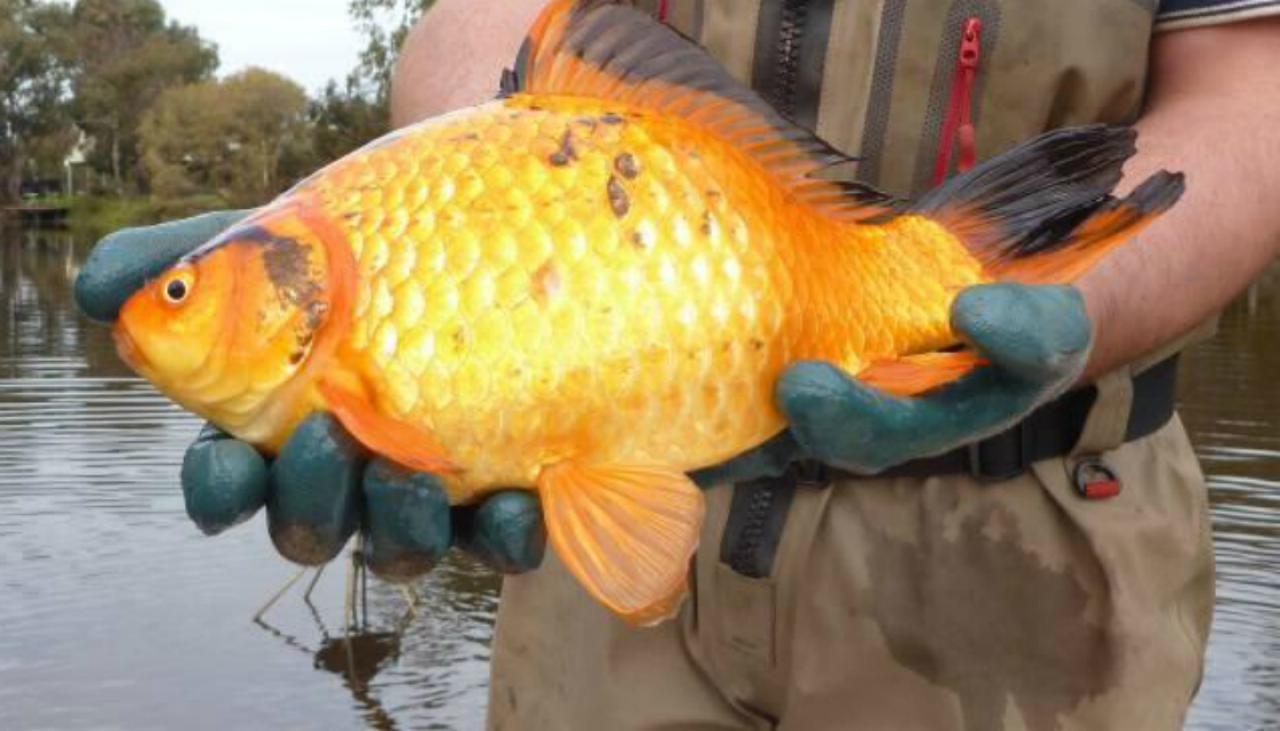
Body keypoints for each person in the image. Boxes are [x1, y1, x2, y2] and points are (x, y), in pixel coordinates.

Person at [72, 1, 1280, 728]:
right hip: (585, 597)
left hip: (1030, 573)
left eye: (184, 295)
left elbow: (1250, 79)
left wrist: (1044, 312)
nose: (159, 318)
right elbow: (486, 19)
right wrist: (482, 168)